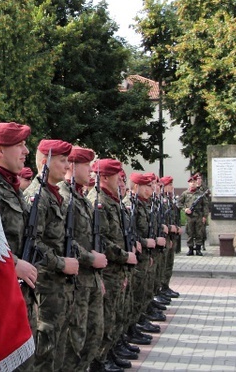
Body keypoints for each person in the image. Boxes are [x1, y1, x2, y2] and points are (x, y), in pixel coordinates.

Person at [0, 121, 37, 371]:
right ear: (0, 149)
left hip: (20, 296)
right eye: (20, 145)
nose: (26, 151)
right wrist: (14, 264)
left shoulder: (11, 185)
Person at [24, 139, 79, 372]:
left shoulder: (54, 195)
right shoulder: (37, 196)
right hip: (44, 288)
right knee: (44, 354)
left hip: (58, 287)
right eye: (62, 160)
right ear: (45, 162)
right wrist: (61, 263)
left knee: (58, 350)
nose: (67, 166)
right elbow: (33, 243)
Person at [59, 146, 108, 371]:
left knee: (92, 336)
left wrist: (99, 278)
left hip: (90, 280)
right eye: (87, 165)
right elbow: (62, 241)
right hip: (74, 282)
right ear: (72, 165)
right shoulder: (63, 196)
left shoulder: (81, 198)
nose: (91, 170)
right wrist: (90, 259)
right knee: (72, 344)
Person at [88, 159, 138, 372]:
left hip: (117, 269)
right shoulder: (98, 201)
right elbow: (101, 240)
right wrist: (124, 255)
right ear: (105, 177)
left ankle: (110, 350)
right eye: (117, 175)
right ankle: (100, 359)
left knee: (116, 313)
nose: (121, 180)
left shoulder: (113, 201)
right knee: (106, 318)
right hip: (108, 269)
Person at [179, 173, 210, 255]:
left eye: (194, 182)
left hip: (199, 216)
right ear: (189, 183)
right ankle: (190, 249)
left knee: (199, 233)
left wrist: (205, 216)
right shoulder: (185, 193)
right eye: (191, 182)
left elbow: (205, 205)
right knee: (190, 233)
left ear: (197, 183)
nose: (193, 184)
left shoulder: (201, 194)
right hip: (189, 217)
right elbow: (179, 203)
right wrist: (185, 209)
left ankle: (198, 249)